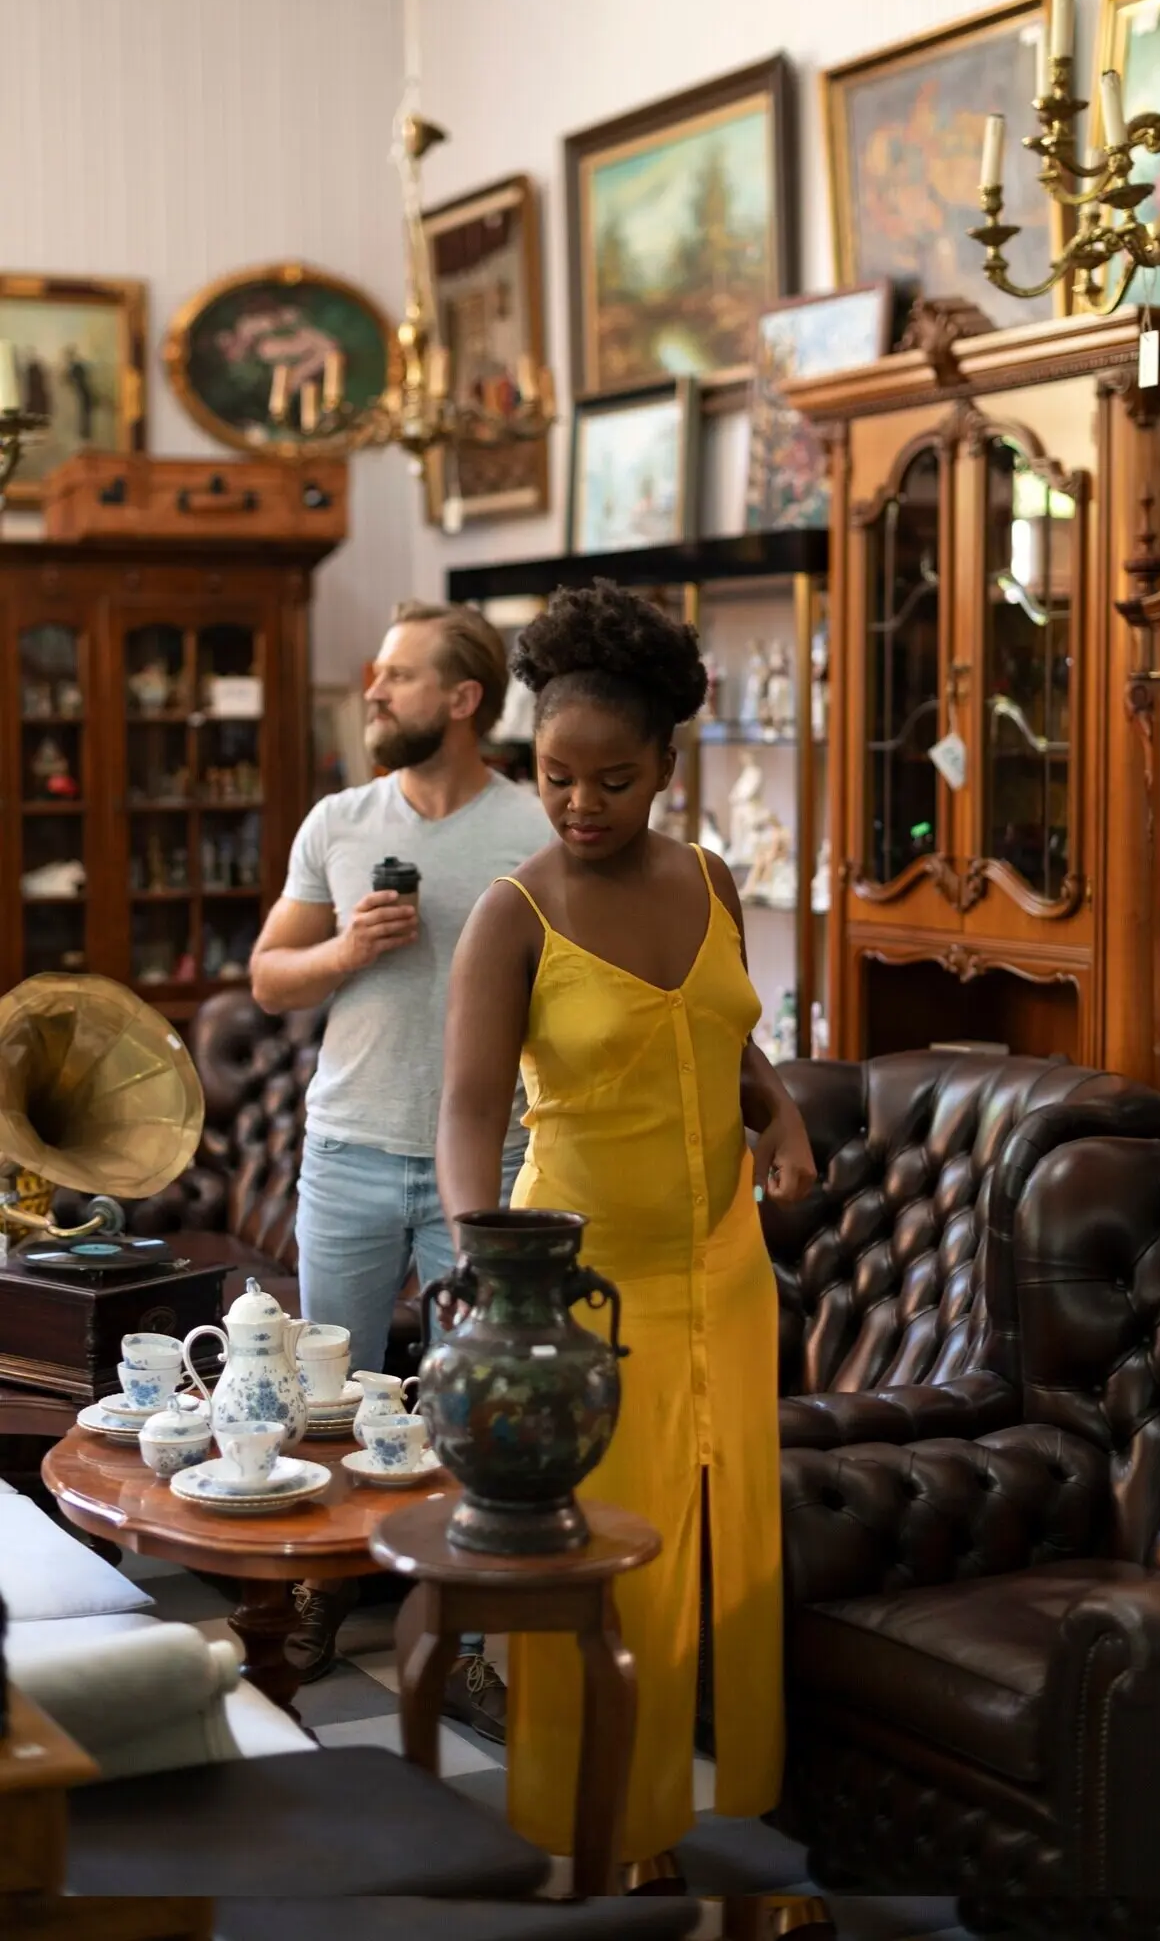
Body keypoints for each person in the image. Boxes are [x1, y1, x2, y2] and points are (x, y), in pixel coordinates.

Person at [436, 579, 817, 1881]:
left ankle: (709, 1817)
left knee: (723, 1556)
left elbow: (724, 1031)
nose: (580, 807)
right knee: (603, 1571)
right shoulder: (513, 914)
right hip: (579, 1296)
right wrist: (495, 1275)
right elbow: (467, 1118)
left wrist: (776, 1118)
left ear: (666, 763)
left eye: (611, 780)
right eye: (553, 778)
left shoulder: (710, 879)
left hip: (723, 1266)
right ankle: (593, 1831)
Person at [250, 600, 550, 1727]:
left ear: (463, 699)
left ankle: (469, 1640)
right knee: (324, 1402)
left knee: (477, 1410)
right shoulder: (337, 818)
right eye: (377, 675)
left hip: (493, 1168)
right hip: (348, 1154)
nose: (371, 692)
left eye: (396, 676)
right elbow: (268, 976)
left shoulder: (533, 828)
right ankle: (322, 1589)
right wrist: (346, 946)